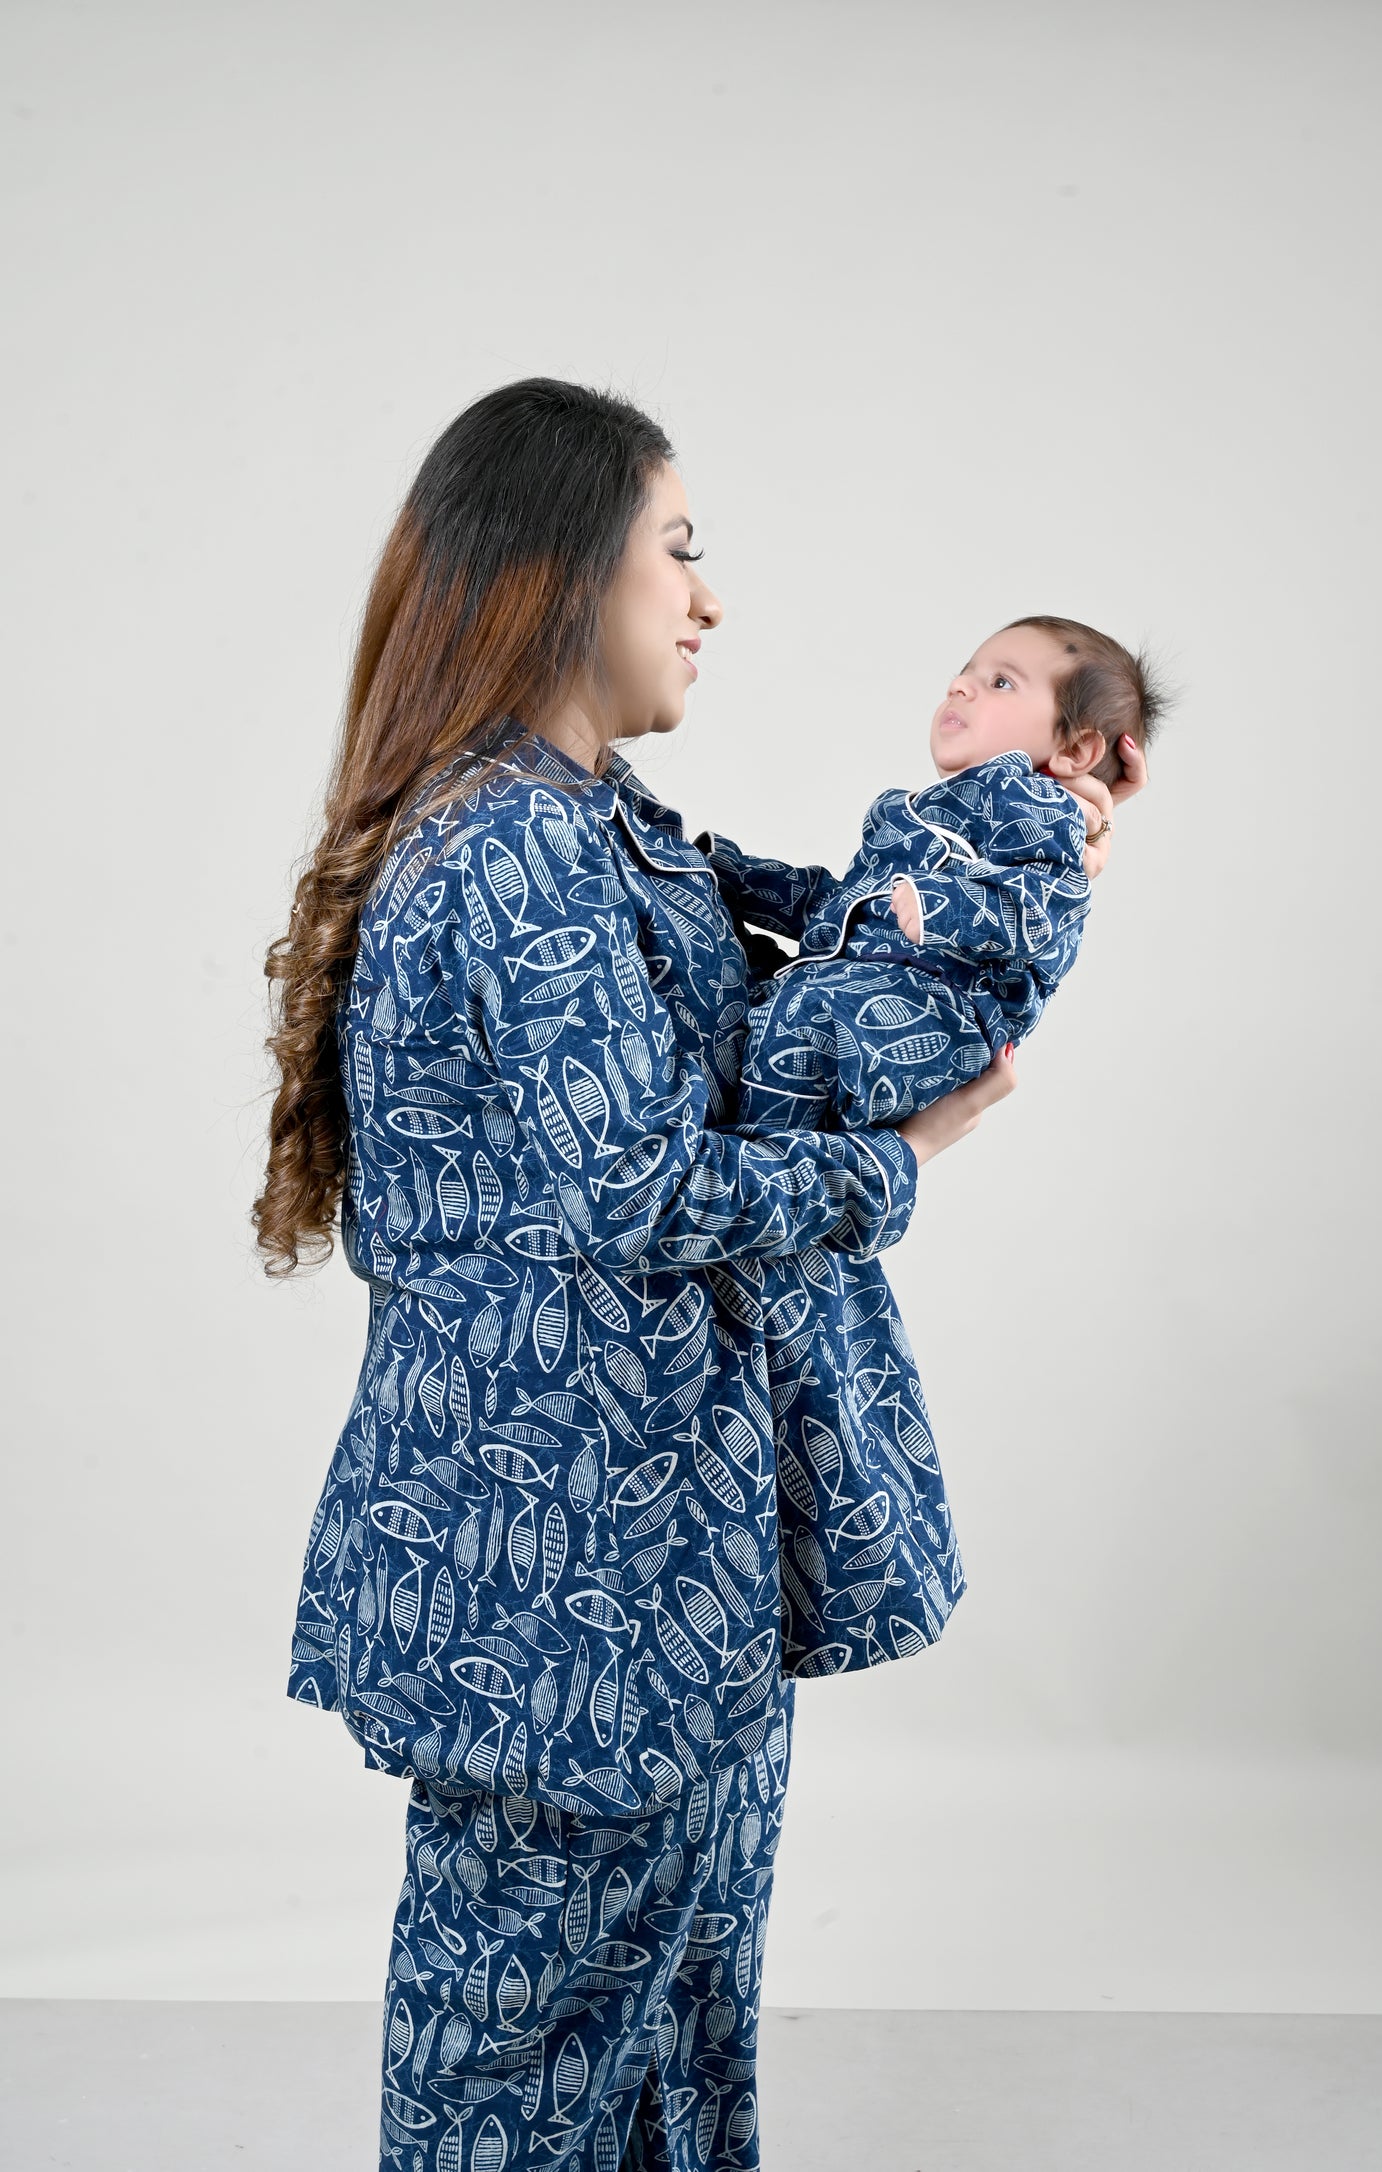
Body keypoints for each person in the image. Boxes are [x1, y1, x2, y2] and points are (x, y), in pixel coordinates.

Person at [253, 377, 1146, 2171]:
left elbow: (775, 1007)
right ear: (563, 565)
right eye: (681, 549)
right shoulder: (508, 847)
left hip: (663, 1587)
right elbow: (640, 1186)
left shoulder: (596, 825)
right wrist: (902, 1160)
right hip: (563, 1603)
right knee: (521, 2086)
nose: (709, 601)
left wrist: (996, 875)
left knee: (666, 2061)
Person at [700, 616, 1166, 1134]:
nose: (958, 686)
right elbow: (844, 908)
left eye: (1001, 682)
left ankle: (754, 1166)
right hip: (847, 983)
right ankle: (746, 1149)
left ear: (1075, 750)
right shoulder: (924, 813)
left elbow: (1044, 908)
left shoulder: (1040, 812)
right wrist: (734, 874)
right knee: (753, 998)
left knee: (803, 1023)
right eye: (965, 672)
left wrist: (941, 906)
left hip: (940, 1009)